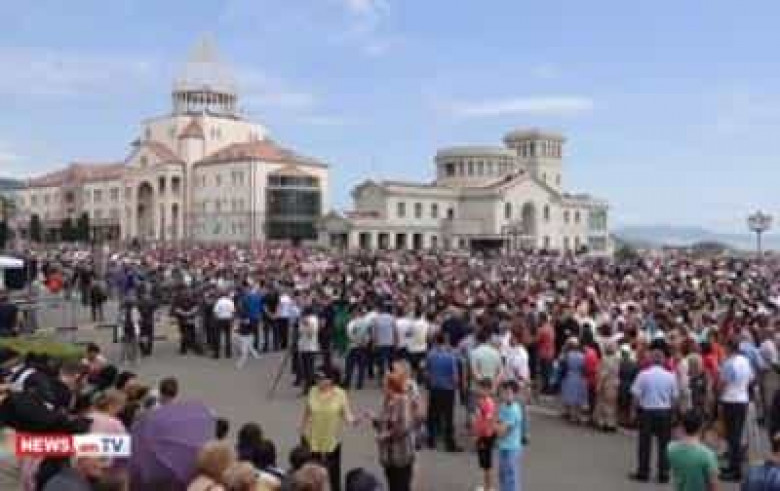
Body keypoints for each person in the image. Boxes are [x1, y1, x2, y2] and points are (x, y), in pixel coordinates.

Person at [300, 367, 356, 491]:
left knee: (333, 471)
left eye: (321, 378)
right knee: (313, 472)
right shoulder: (312, 391)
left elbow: (347, 415)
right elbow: (307, 411)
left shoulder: (340, 394)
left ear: (330, 380)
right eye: (316, 378)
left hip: (332, 438)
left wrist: (354, 421)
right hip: (313, 436)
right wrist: (302, 429)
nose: (318, 381)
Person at [630, 348, 679, 484]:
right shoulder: (671, 376)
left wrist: (633, 411)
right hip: (664, 411)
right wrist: (674, 413)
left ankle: (643, 471)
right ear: (663, 361)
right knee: (664, 444)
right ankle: (663, 473)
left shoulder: (643, 374)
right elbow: (675, 397)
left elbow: (636, 395)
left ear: (651, 360)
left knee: (644, 443)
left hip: (647, 411)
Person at [371, 371, 416, 491]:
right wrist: (375, 419)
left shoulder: (403, 401)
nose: (382, 388)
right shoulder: (386, 401)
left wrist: (385, 435)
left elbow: (405, 427)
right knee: (392, 484)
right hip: (388, 456)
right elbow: (385, 422)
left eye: (384, 385)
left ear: (392, 386)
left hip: (401, 455)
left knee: (400, 486)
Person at [426, 332, 461, 452]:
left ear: (436, 341)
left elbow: (427, 371)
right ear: (445, 341)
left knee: (433, 414)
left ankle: (431, 440)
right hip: (448, 389)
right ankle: (449, 442)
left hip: (435, 388)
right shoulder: (451, 357)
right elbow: (455, 376)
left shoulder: (431, 355)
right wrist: (455, 386)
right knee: (448, 416)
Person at [667, 410, 719, 491]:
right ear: (701, 427)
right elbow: (713, 484)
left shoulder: (671, 448)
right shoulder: (708, 454)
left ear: (683, 427)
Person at [495, 379, 524, 491]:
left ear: (515, 395)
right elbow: (498, 422)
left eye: (508, 393)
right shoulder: (503, 406)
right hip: (503, 446)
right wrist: (496, 426)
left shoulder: (514, 410)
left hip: (512, 448)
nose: (505, 395)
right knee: (502, 474)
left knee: (511, 476)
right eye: (504, 392)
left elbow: (503, 431)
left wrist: (494, 426)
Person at [473, 378, 497, 491]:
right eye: (479, 388)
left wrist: (479, 435)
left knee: (487, 464)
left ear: (488, 389)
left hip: (486, 436)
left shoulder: (488, 403)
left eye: (481, 388)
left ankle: (488, 487)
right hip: (482, 435)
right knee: (484, 464)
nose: (479, 390)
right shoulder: (481, 401)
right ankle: (486, 486)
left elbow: (488, 421)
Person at [560, 338, 588, 423]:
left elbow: (564, 364)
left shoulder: (568, 355)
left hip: (570, 375)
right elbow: (584, 368)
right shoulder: (583, 356)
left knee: (570, 395)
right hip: (579, 376)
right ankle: (578, 416)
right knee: (579, 396)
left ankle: (571, 415)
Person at [594, 341, 620, 432]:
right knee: (612, 405)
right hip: (615, 383)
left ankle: (603, 423)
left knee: (603, 403)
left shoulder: (604, 359)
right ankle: (611, 423)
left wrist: (598, 385)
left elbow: (603, 374)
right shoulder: (617, 360)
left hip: (606, 384)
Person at [42, 456, 109, 491]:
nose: (105, 465)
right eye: (101, 459)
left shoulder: (58, 479)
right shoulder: (72, 486)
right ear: (82, 459)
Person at [213, 289, 236, 359]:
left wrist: (216, 319)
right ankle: (228, 353)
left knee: (218, 336)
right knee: (228, 337)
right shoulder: (230, 301)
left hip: (220, 320)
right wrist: (232, 320)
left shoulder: (219, 301)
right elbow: (233, 312)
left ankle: (217, 354)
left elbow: (215, 311)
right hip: (228, 319)